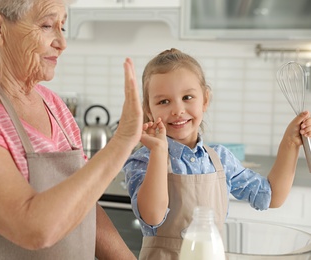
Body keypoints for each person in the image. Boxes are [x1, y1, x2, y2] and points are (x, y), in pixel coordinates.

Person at [0, 0, 143, 259]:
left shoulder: (53, 105)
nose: (61, 43)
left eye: (62, 26)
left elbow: (83, 203)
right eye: (47, 25)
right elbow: (32, 228)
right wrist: (122, 142)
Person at [123, 48, 311, 259]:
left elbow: (271, 196)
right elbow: (152, 216)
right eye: (163, 102)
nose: (177, 110)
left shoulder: (220, 159)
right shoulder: (143, 160)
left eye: (187, 97)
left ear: (205, 100)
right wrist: (158, 151)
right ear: (148, 109)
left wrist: (291, 142)